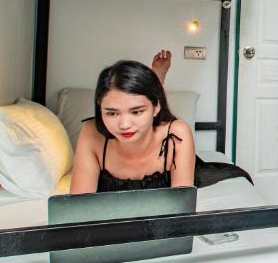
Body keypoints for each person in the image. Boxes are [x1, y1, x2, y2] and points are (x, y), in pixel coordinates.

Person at [70, 51, 250, 194]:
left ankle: (157, 80)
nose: (124, 124)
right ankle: (154, 84)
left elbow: (180, 206)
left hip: (171, 153)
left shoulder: (176, 132)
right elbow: (78, 206)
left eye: (136, 112)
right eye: (111, 113)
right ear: (100, 108)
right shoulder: (91, 131)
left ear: (156, 108)